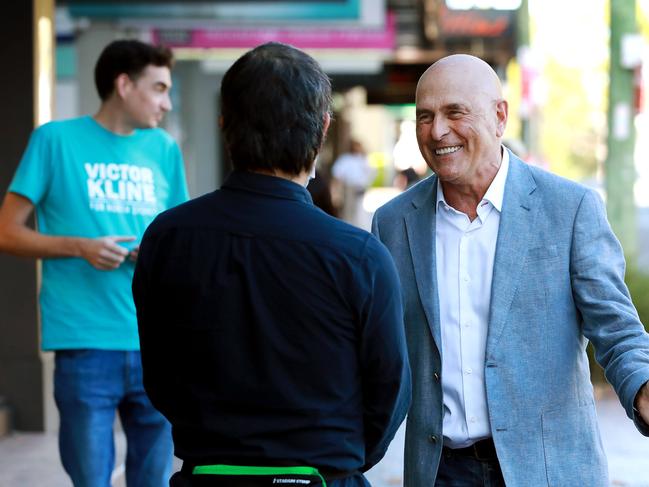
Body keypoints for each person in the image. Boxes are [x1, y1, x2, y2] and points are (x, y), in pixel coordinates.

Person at [132, 42, 411, 487]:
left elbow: (161, 377)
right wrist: (338, 457)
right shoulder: (359, 257)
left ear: (226, 126)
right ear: (321, 130)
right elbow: (390, 394)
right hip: (323, 477)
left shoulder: (168, 238)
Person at [371, 54, 649, 486]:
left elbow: (617, 328)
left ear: (499, 115)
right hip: (439, 471)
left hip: (547, 469)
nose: (437, 131)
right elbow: (379, 351)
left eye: (454, 112)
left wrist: (643, 385)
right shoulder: (393, 223)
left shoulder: (569, 209)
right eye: (424, 116)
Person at [0, 39, 188, 486]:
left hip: (154, 343)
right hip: (84, 343)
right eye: (158, 88)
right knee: (90, 480)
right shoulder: (54, 140)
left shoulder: (164, 149)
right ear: (123, 84)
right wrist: (80, 246)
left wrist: (155, 252)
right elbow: (7, 231)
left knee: (155, 480)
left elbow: (180, 240)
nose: (166, 103)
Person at [332, 139, 375, 227]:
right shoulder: (345, 159)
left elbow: (371, 173)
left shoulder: (363, 159)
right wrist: (336, 192)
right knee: (348, 212)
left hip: (361, 188)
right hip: (349, 189)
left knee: (360, 213)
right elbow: (337, 176)